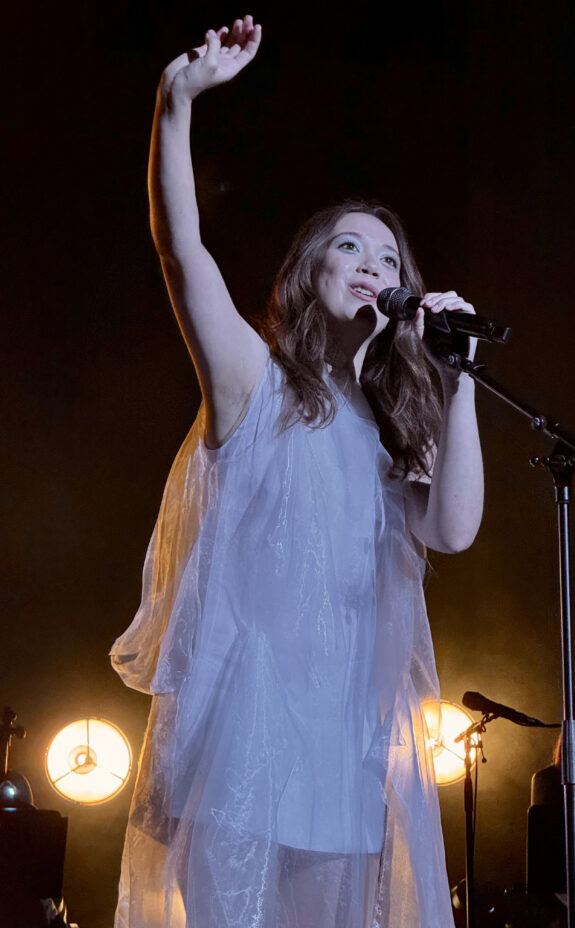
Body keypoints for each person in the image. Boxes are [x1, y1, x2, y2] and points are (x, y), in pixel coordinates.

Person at [111, 15, 484, 928]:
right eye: (350, 246)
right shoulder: (255, 382)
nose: (372, 264)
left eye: (388, 256)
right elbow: (181, 251)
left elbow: (453, 530)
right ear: (308, 266)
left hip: (341, 745)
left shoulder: (394, 433)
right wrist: (175, 102)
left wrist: (460, 380)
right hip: (243, 737)